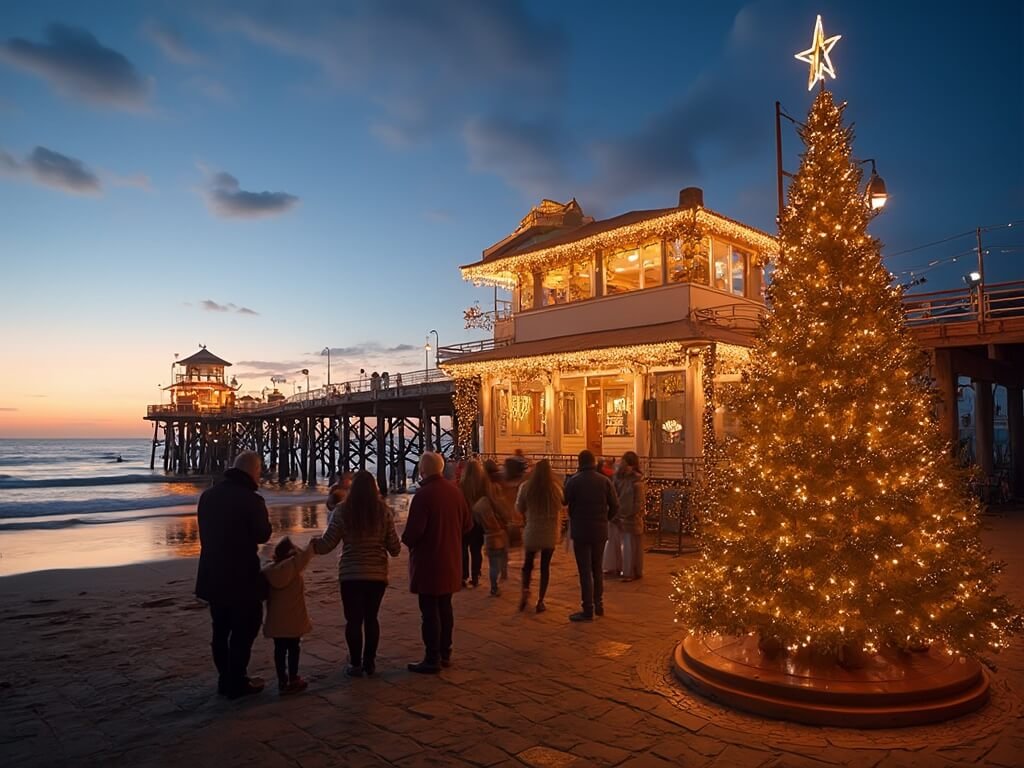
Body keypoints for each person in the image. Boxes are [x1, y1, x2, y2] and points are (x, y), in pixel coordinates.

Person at [194, 451, 272, 698]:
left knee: (220, 629)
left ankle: (224, 678)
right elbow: (262, 535)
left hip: (212, 573)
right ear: (252, 470)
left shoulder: (207, 496)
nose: (260, 475)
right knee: (246, 626)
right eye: (259, 471)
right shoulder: (251, 500)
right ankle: (237, 680)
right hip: (241, 575)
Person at [312, 470, 401, 677]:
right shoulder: (384, 511)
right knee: (371, 618)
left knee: (353, 620)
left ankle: (354, 663)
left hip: (350, 574)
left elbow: (327, 544)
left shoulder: (342, 511)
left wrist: (311, 546)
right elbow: (395, 548)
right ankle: (369, 663)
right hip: (377, 575)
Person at [401, 452, 473, 673]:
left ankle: (432, 658)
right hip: (451, 560)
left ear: (423, 471)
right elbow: (467, 525)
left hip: (429, 563)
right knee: (445, 607)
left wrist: (408, 541)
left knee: (429, 611)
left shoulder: (424, 495)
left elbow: (413, 533)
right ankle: (445, 652)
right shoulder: (455, 492)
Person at [563, 450, 618, 622]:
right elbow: (615, 505)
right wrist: (605, 519)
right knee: (597, 569)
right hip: (599, 530)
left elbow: (564, 500)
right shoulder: (604, 481)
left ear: (579, 462)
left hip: (581, 530)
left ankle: (587, 609)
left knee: (584, 571)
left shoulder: (574, 481)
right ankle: (599, 604)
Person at [261, 537, 314, 694]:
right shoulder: (293, 566)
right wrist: (311, 544)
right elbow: (304, 556)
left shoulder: (269, 572)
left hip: (277, 621)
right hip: (294, 620)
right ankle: (293, 678)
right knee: (294, 649)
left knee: (279, 650)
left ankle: (282, 681)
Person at [516, 459, 563, 613]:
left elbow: (519, 507)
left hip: (532, 529)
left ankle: (525, 589)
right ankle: (541, 600)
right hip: (549, 532)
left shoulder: (526, 487)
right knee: (545, 567)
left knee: (528, 565)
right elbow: (560, 507)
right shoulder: (555, 489)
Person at [472, 472, 510, 596]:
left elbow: (477, 521)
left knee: (493, 564)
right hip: (500, 534)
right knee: (500, 559)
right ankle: (502, 574)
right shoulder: (498, 501)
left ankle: (494, 587)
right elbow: (506, 516)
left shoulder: (479, 505)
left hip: (489, 536)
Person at [613, 452, 646, 582]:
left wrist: (633, 512)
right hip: (621, 515)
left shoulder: (637, 481)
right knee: (623, 544)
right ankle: (622, 568)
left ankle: (632, 571)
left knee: (632, 545)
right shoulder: (619, 479)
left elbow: (639, 501)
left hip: (632, 517)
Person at [458, 460, 487, 588]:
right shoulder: (483, 484)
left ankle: (463, 576)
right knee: (476, 550)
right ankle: (475, 576)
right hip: (478, 521)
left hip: (464, 521)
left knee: (463, 549)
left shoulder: (461, 485)